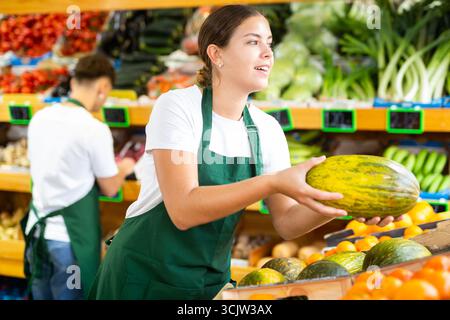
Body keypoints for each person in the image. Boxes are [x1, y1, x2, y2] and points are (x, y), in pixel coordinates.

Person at [89, 5, 400, 300]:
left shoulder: (266, 129)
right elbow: (182, 210)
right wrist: (272, 182)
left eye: (269, 43)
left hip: (208, 284)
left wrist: (347, 203)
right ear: (216, 54)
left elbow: (288, 222)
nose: (267, 53)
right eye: (253, 42)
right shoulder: (179, 107)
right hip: (142, 277)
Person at [22, 53, 136, 300]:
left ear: (73, 82)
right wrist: (126, 167)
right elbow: (109, 188)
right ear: (103, 87)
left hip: (36, 235)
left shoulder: (39, 118)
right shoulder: (93, 128)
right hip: (69, 245)